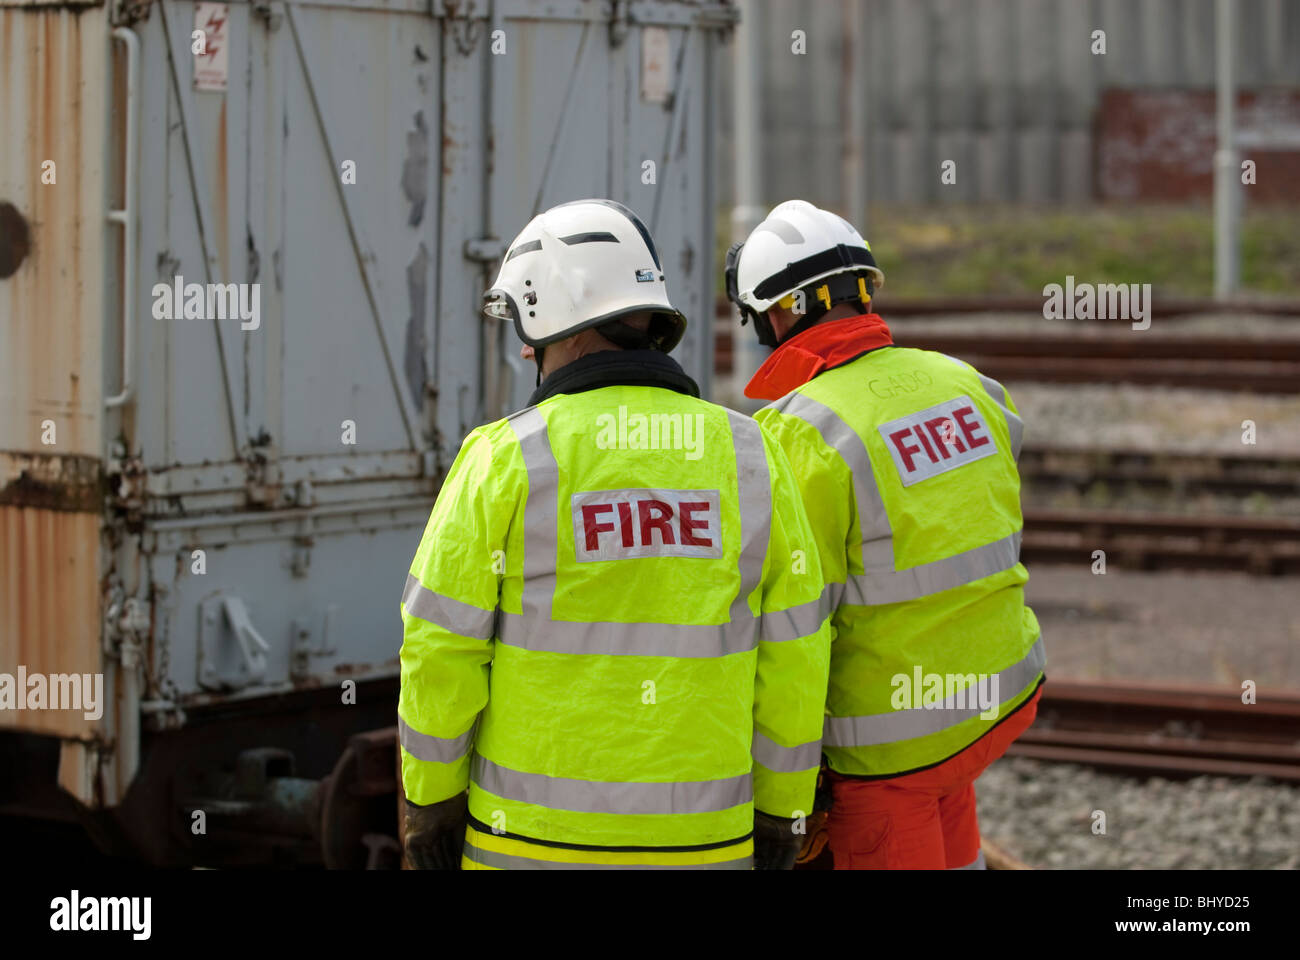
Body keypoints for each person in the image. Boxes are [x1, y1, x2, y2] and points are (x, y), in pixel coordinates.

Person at [399, 198, 832, 869]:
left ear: (561, 324)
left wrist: (429, 804)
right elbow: (796, 652)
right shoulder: (751, 456)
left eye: (528, 326)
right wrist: (783, 807)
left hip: (530, 847)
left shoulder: (504, 458)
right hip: (705, 846)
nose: (523, 348)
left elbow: (439, 648)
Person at [726, 199, 1045, 870]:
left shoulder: (800, 430)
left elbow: (792, 624)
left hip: (892, 740)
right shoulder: (965, 383)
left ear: (782, 313)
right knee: (948, 816)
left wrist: (781, 781)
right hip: (996, 697)